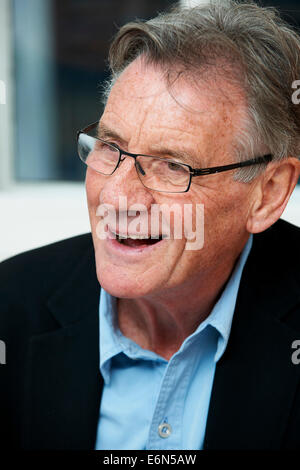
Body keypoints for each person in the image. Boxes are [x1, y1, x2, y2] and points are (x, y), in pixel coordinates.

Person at [1, 0, 300, 450]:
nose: (118, 198)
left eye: (173, 167)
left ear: (269, 192)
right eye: (110, 146)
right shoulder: (9, 306)